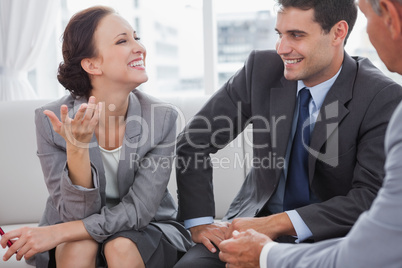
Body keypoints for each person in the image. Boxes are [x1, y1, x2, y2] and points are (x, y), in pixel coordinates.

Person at [173, 0, 402, 267]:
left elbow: (368, 196)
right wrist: (199, 222)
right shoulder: (261, 69)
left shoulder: (381, 97)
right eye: (279, 34)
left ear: (338, 33)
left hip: (330, 241)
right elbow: (194, 141)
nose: (282, 48)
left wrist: (277, 224)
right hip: (249, 225)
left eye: (296, 35)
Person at [0, 6, 191, 268]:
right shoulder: (51, 120)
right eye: (123, 41)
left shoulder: (162, 119)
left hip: (147, 231)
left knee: (120, 247)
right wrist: (76, 148)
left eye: (136, 37)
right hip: (75, 233)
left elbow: (139, 212)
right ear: (91, 64)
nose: (139, 47)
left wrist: (57, 232)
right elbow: (74, 214)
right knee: (79, 247)